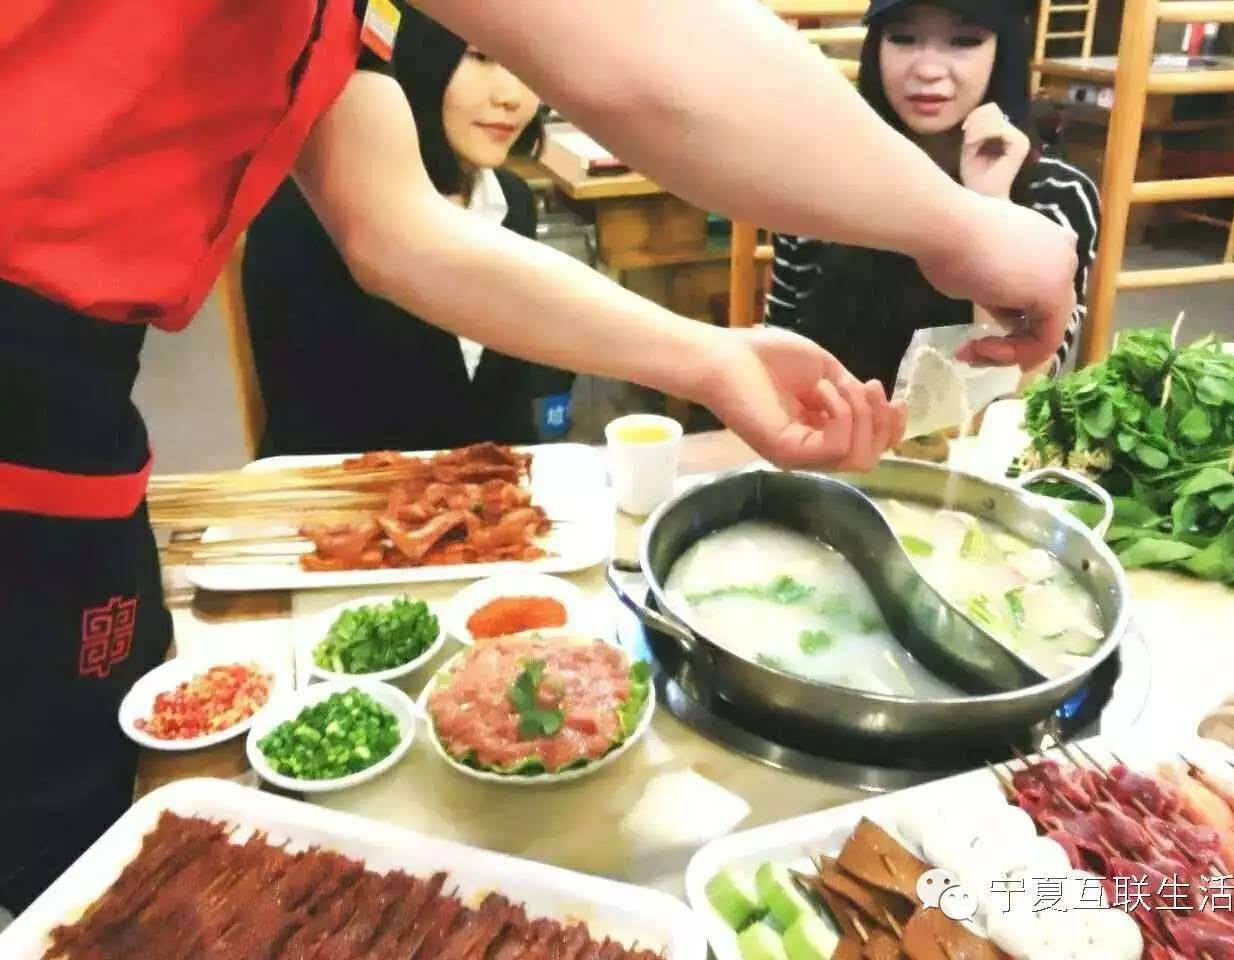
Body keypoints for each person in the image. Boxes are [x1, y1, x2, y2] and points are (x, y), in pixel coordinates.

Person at [0, 0, 1077, 913]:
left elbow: (394, 226)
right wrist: (962, 225)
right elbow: (642, 53)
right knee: (71, 861)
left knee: (73, 821)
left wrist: (709, 357)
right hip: (30, 393)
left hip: (70, 422)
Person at [245, 13, 577, 456]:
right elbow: (309, 422)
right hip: (350, 488)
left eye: (527, 66)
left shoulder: (512, 203)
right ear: (420, 51)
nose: (512, 97)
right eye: (480, 57)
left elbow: (510, 409)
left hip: (486, 487)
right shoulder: (309, 208)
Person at [765, 0, 1100, 391]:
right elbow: (783, 346)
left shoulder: (1059, 194)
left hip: (971, 431)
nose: (927, 70)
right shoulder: (821, 181)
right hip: (825, 421)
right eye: (903, 38)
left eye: (964, 40)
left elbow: (1021, 391)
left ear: (1004, 51)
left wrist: (991, 209)